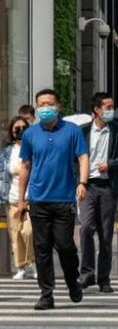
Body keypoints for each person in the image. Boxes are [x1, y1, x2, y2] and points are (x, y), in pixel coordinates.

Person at [17, 88, 89, 310]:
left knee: (65, 246)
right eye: (41, 104)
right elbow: (25, 166)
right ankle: (46, 294)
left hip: (64, 198)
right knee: (42, 248)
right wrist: (22, 199)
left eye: (49, 104)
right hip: (38, 199)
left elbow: (83, 157)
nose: (45, 108)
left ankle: (71, 281)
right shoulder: (30, 134)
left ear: (58, 107)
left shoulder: (72, 131)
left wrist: (82, 183)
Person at [79, 93, 118, 293]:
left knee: (106, 232)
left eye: (113, 106)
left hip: (108, 185)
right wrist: (79, 182)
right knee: (85, 228)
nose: (111, 110)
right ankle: (86, 274)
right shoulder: (82, 131)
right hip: (87, 185)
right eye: (108, 107)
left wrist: (110, 165)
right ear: (96, 110)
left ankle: (104, 278)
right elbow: (74, 157)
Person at [0, 117, 36, 279]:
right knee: (15, 234)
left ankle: (34, 262)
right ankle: (20, 266)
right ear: (12, 132)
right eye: (17, 128)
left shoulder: (35, 148)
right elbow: (2, 175)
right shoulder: (7, 151)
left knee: (29, 232)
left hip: (32, 199)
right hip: (11, 199)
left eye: (24, 127)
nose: (20, 131)